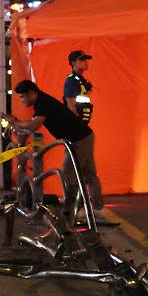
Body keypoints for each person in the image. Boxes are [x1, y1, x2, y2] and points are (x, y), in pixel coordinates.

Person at [13, 79, 104, 216]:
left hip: (78, 139)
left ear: (31, 93)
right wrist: (19, 124)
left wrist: (16, 123)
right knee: (87, 173)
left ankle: (72, 208)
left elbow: (34, 125)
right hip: (81, 136)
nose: (22, 101)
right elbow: (33, 122)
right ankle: (94, 207)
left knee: (68, 173)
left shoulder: (42, 102)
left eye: (22, 97)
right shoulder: (41, 102)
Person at [63, 49, 94, 124]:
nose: (85, 62)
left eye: (85, 59)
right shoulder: (72, 80)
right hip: (76, 123)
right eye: (82, 59)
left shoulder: (81, 81)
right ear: (73, 63)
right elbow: (70, 103)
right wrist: (76, 123)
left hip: (82, 122)